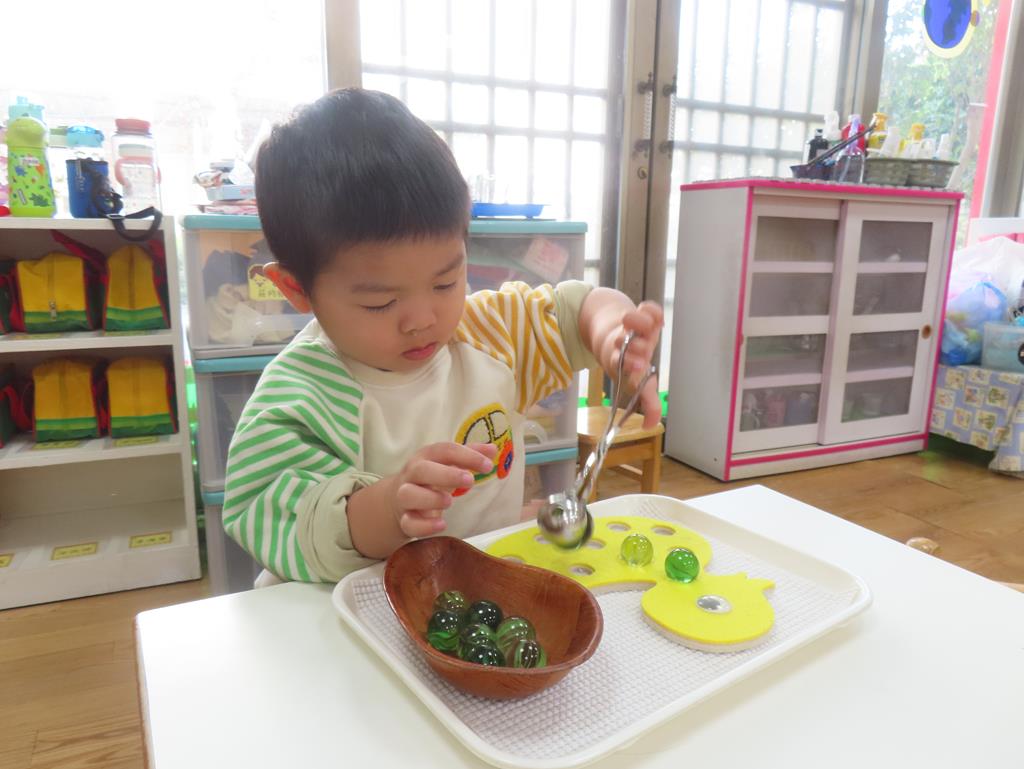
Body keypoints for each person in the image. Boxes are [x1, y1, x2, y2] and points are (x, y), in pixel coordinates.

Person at [222, 88, 663, 582]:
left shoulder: (488, 332)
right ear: (296, 289)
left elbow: (576, 308)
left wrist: (612, 335)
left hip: (476, 592)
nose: (422, 319)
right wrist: (387, 510)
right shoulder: (299, 395)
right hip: (347, 611)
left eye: (445, 282)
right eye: (380, 302)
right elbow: (275, 515)